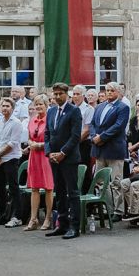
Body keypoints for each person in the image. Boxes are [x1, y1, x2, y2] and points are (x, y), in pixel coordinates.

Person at [46, 82, 83, 239]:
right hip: (54, 158)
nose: (57, 96)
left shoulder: (74, 111)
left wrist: (62, 153)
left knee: (72, 192)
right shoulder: (51, 111)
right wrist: (49, 152)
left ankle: (75, 227)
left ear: (66, 95)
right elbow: (47, 133)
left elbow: (75, 136)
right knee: (59, 192)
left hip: (68, 158)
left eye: (60, 93)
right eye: (55, 94)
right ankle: (62, 224)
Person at [91, 82, 130, 216]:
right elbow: (92, 124)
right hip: (99, 149)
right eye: (107, 90)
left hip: (114, 149)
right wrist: (93, 136)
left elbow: (118, 126)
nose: (109, 93)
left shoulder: (122, 107)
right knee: (101, 182)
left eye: (112, 90)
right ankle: (107, 209)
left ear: (118, 92)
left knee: (116, 182)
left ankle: (119, 211)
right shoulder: (99, 107)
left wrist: (101, 137)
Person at [0, 98, 26, 228]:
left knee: (13, 188)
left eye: (7, 106)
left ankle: (17, 216)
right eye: (3, 106)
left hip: (11, 158)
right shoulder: (0, 122)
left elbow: (13, 143)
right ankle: (1, 214)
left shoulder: (16, 123)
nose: (4, 108)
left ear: (12, 108)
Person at [24, 95, 53, 230]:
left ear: (46, 105)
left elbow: (52, 140)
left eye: (41, 104)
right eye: (36, 104)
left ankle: (48, 217)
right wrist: (31, 143)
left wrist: (40, 145)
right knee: (34, 188)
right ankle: (33, 218)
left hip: (45, 155)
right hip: (34, 155)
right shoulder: (32, 120)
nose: (38, 107)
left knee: (48, 188)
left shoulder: (50, 120)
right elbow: (29, 137)